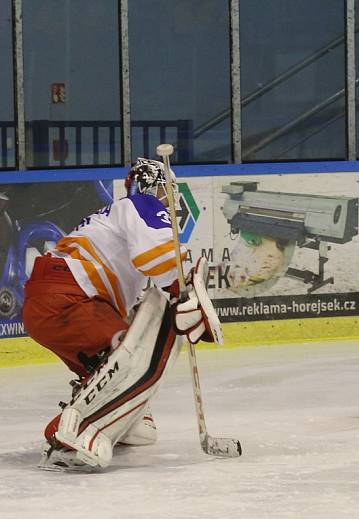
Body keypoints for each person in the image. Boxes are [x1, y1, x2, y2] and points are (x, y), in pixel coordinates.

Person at [23, 158, 218, 472]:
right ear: (156, 187)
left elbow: (144, 285)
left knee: (118, 380)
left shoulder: (113, 217)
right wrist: (184, 293)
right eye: (168, 192)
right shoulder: (143, 205)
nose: (171, 201)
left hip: (48, 301)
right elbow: (160, 259)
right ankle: (74, 431)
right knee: (135, 351)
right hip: (71, 296)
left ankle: (117, 414)